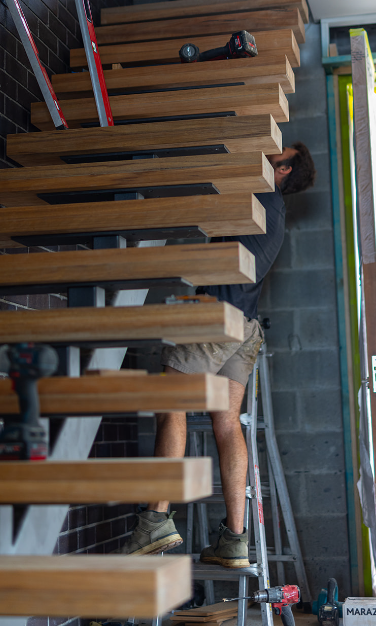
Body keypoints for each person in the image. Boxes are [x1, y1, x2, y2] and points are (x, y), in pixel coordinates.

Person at [119, 142, 316, 566]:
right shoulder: (275, 211)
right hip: (245, 328)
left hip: (216, 320)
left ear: (283, 169)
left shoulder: (259, 192)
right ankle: (234, 540)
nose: (269, 152)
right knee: (227, 426)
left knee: (169, 406)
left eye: (278, 152)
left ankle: (155, 519)